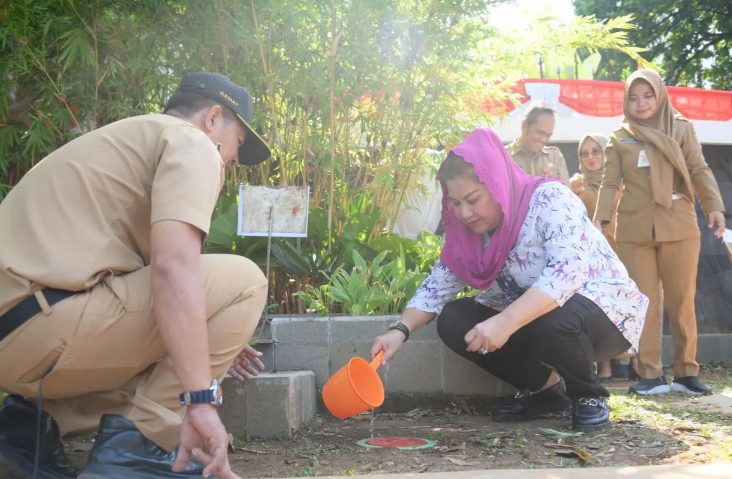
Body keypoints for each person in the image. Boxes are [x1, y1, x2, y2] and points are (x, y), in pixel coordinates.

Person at [0, 72, 271, 479]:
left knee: (184, 337)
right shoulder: (192, 143)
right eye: (238, 145)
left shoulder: (125, 140)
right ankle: (140, 446)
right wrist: (200, 398)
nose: (232, 160)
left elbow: (142, 282)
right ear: (214, 118)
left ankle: (27, 428)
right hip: (43, 330)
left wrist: (207, 338)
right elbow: (172, 270)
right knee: (246, 283)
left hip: (19, 337)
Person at [370, 128, 648, 432]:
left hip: (603, 313)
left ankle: (589, 395)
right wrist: (399, 331)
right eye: (456, 203)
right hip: (534, 319)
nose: (464, 212)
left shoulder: (550, 199)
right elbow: (437, 287)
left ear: (497, 184)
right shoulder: (469, 233)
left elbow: (565, 273)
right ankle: (545, 391)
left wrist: (504, 322)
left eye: (473, 199)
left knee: (551, 315)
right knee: (454, 319)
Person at [594, 69, 725, 397]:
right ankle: (649, 375)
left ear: (659, 96)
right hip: (635, 230)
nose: (641, 103)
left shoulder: (681, 128)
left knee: (682, 302)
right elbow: (610, 182)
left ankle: (686, 372)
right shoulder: (619, 136)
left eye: (648, 95)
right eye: (634, 97)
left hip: (679, 224)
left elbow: (698, 169)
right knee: (645, 305)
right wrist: (600, 221)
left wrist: (714, 206)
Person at [570, 133, 635, 381]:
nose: (591, 157)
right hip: (594, 254)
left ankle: (630, 362)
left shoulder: (623, 180)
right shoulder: (575, 184)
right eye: (584, 153)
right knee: (600, 306)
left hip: (625, 247)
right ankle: (605, 366)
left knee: (626, 303)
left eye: (596, 151)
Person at [506, 102, 570, 183]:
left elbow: (565, 193)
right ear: (524, 126)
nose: (543, 139)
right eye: (540, 133)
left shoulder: (554, 157)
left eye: (548, 135)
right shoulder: (504, 157)